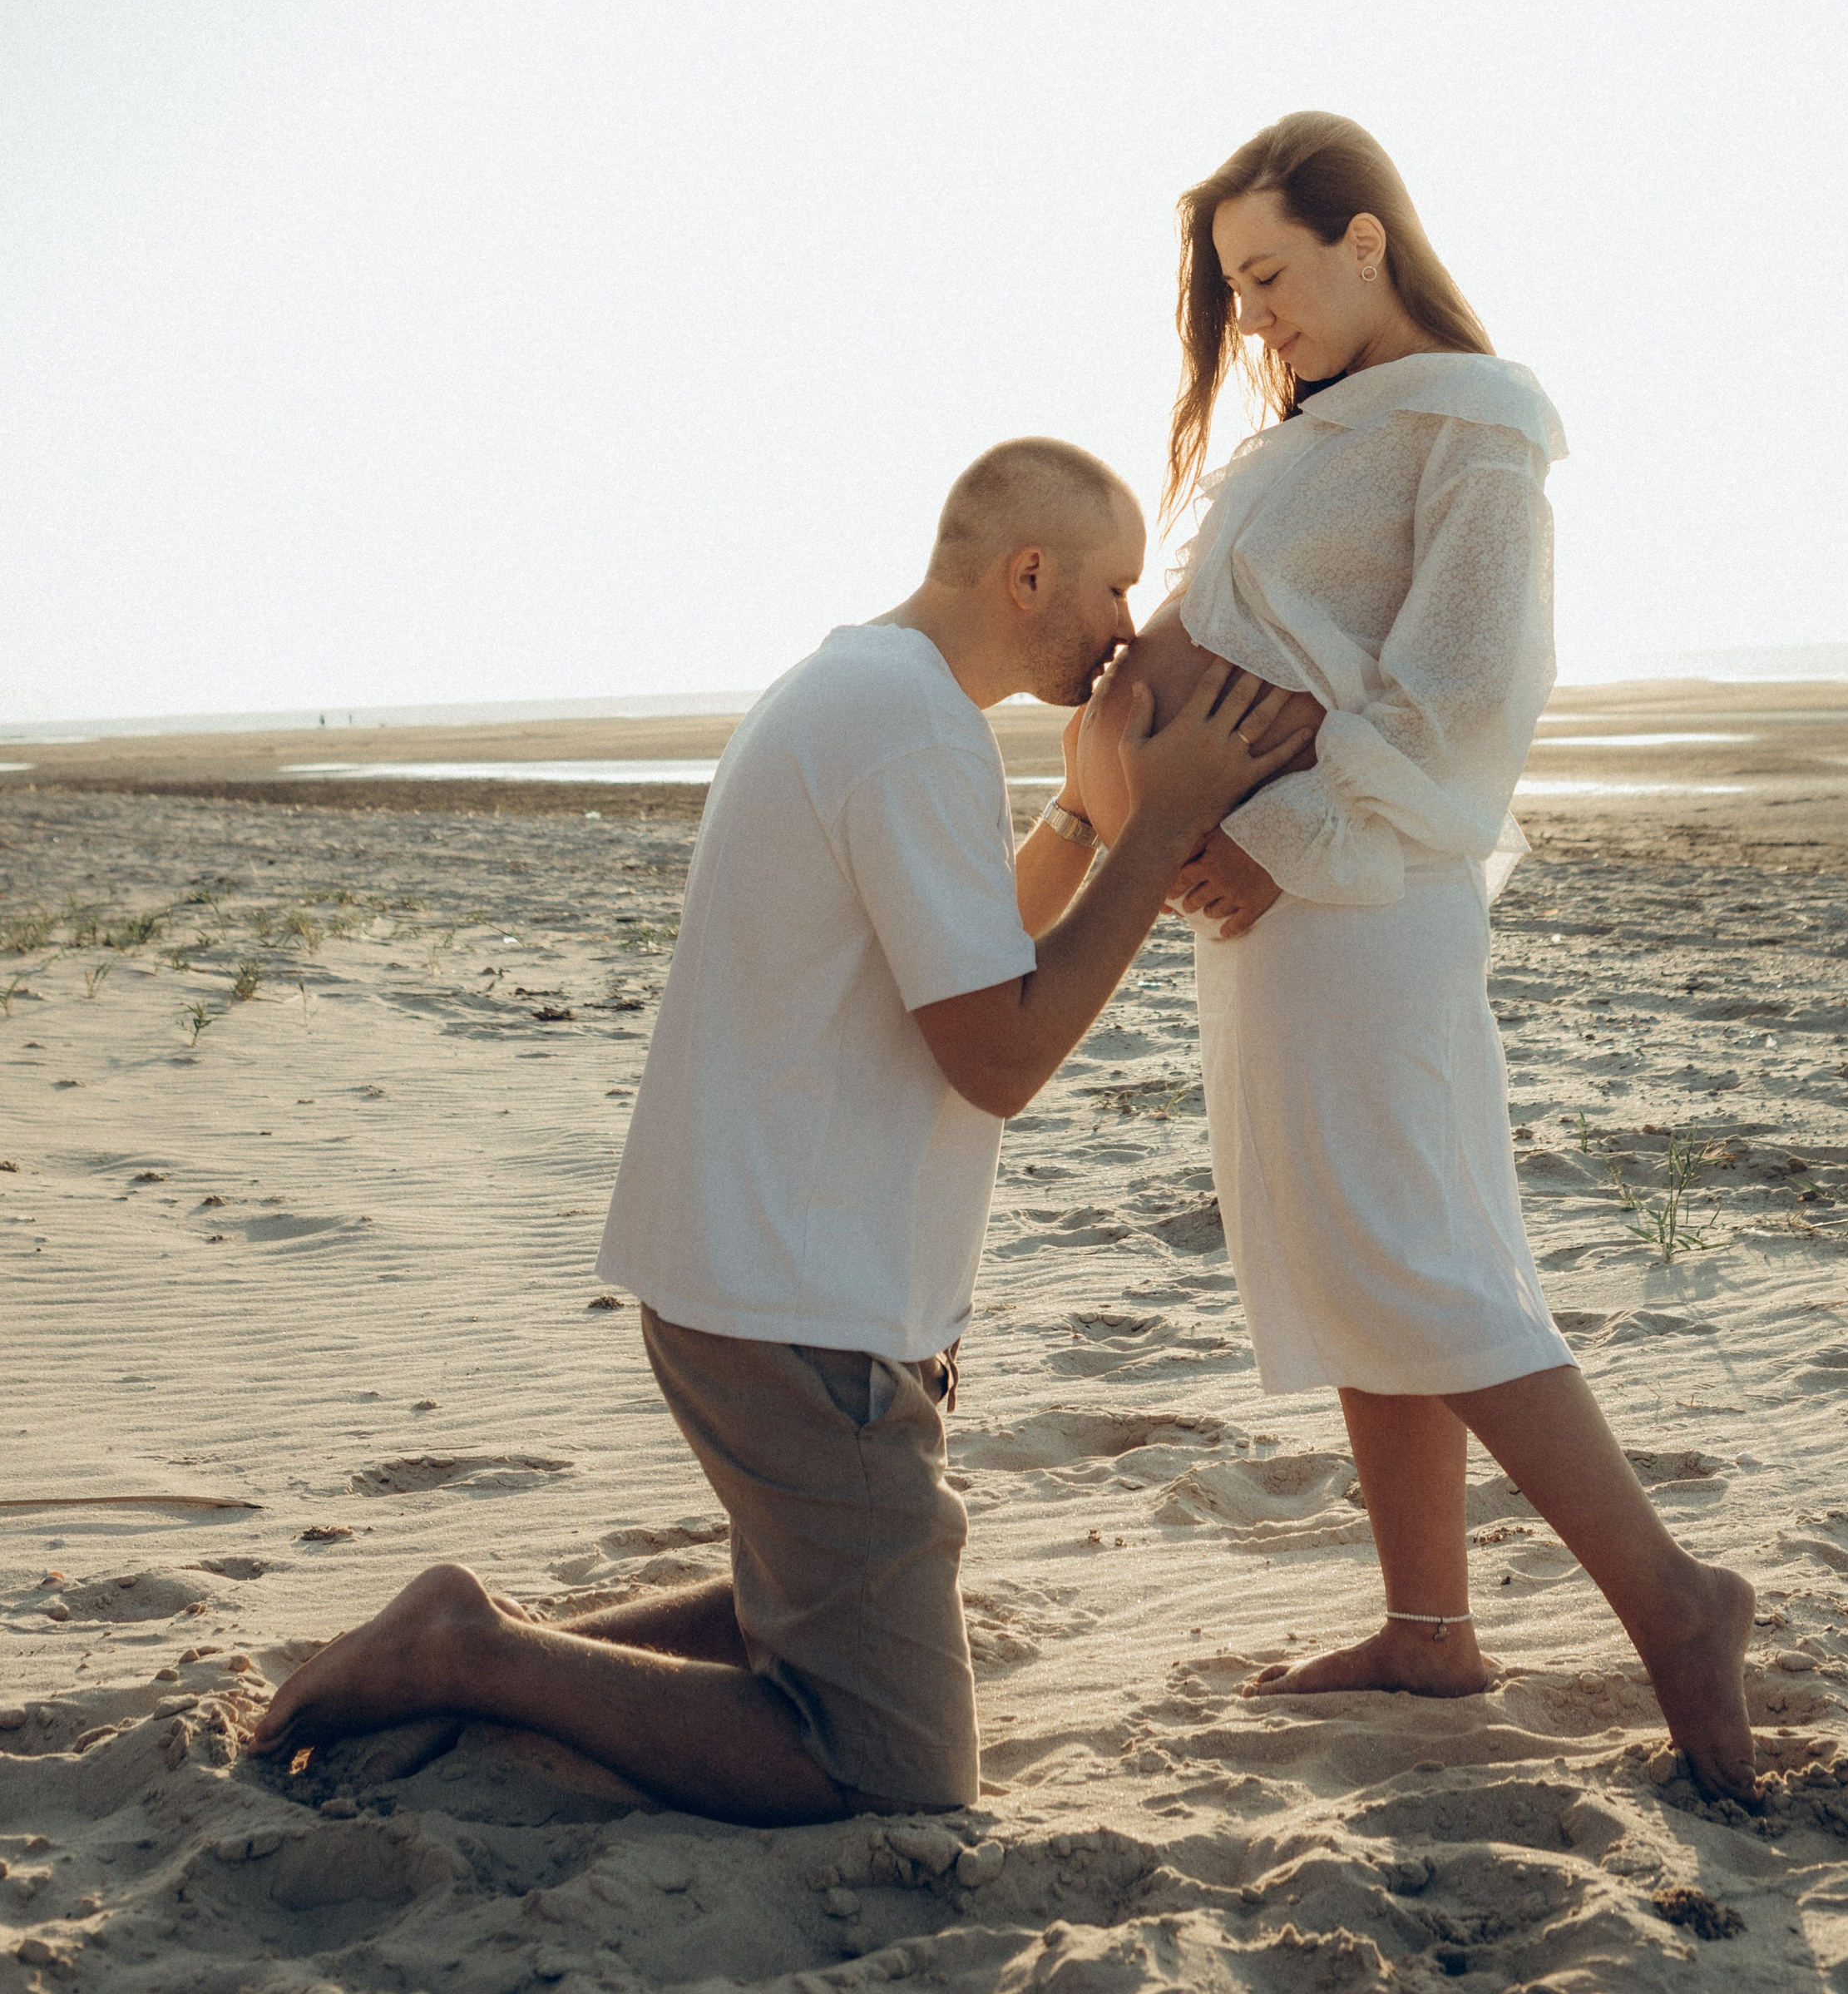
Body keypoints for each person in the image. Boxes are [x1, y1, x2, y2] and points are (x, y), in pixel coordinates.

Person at [252, 436, 1309, 1823]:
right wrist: (1160, 819)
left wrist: (1080, 814)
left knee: (829, 1603)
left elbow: (960, 939)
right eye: (1113, 589)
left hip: (760, 1274)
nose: (1124, 631)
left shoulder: (863, 688)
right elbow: (997, 1053)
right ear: (1028, 571)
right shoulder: (910, 727)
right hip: (793, 1307)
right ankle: (469, 1649)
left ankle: (465, 1656)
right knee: (888, 1769)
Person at [1072, 115, 1757, 1802]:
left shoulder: (1470, 419)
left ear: (1364, 239)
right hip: (1268, 908)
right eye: (1231, 293)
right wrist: (1160, 815)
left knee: (1420, 1262)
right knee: (1347, 1262)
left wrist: (1260, 832)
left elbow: (1463, 706)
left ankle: (1675, 1605)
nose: (1252, 321)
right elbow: (1226, 667)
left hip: (1361, 899)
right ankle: (1428, 1629)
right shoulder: (1302, 441)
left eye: (1269, 276)